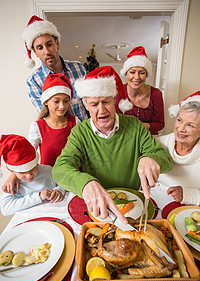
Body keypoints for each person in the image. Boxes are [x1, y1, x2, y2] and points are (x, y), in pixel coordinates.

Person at [52, 66, 172, 223]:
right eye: (94, 104)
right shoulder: (79, 132)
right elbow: (60, 169)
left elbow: (166, 160)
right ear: (86, 106)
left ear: (114, 100)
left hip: (134, 207)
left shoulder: (135, 125)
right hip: (99, 208)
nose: (101, 110)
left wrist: (151, 158)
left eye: (106, 102)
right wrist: (85, 183)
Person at [22, 15, 87, 121]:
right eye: (40, 48)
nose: (47, 51)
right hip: (61, 135)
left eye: (49, 44)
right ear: (35, 53)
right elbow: (49, 118)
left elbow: (90, 102)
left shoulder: (78, 68)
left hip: (87, 132)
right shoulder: (34, 82)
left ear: (57, 43)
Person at [0, 135, 65, 216]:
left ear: (36, 163)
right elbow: (6, 209)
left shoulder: (48, 170)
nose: (29, 175)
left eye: (32, 169)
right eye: (22, 172)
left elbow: (64, 182)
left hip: (55, 214)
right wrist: (39, 196)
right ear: (12, 171)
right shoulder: (12, 184)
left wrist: (59, 190)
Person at [154, 91, 200, 206]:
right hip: (155, 204)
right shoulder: (159, 143)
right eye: (179, 120)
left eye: (190, 125)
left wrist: (188, 195)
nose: (181, 129)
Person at [28, 73, 79, 167]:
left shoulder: (75, 122)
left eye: (66, 101)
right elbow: (27, 156)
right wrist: (14, 174)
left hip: (73, 178)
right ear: (46, 101)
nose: (62, 106)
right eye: (56, 101)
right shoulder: (37, 127)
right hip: (49, 179)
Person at [115, 46, 165, 135]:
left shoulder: (156, 94)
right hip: (125, 138)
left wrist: (146, 126)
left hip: (149, 138)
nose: (137, 77)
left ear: (146, 75)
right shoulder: (118, 92)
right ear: (126, 74)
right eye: (132, 72)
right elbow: (114, 120)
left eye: (142, 73)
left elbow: (160, 124)